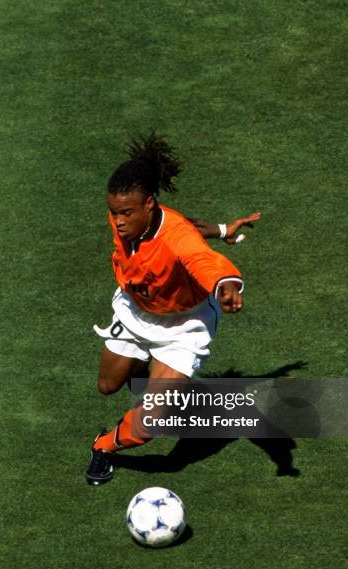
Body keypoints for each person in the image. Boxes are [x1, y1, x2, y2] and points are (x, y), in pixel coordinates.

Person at [86, 131, 261, 485]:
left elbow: (200, 258)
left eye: (126, 213)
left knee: (153, 419)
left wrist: (226, 283)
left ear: (149, 204)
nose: (118, 222)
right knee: (108, 385)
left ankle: (103, 446)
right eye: (113, 212)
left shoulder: (176, 236)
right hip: (136, 311)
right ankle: (164, 383)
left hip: (184, 325)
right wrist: (223, 228)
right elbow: (190, 225)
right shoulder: (128, 217)